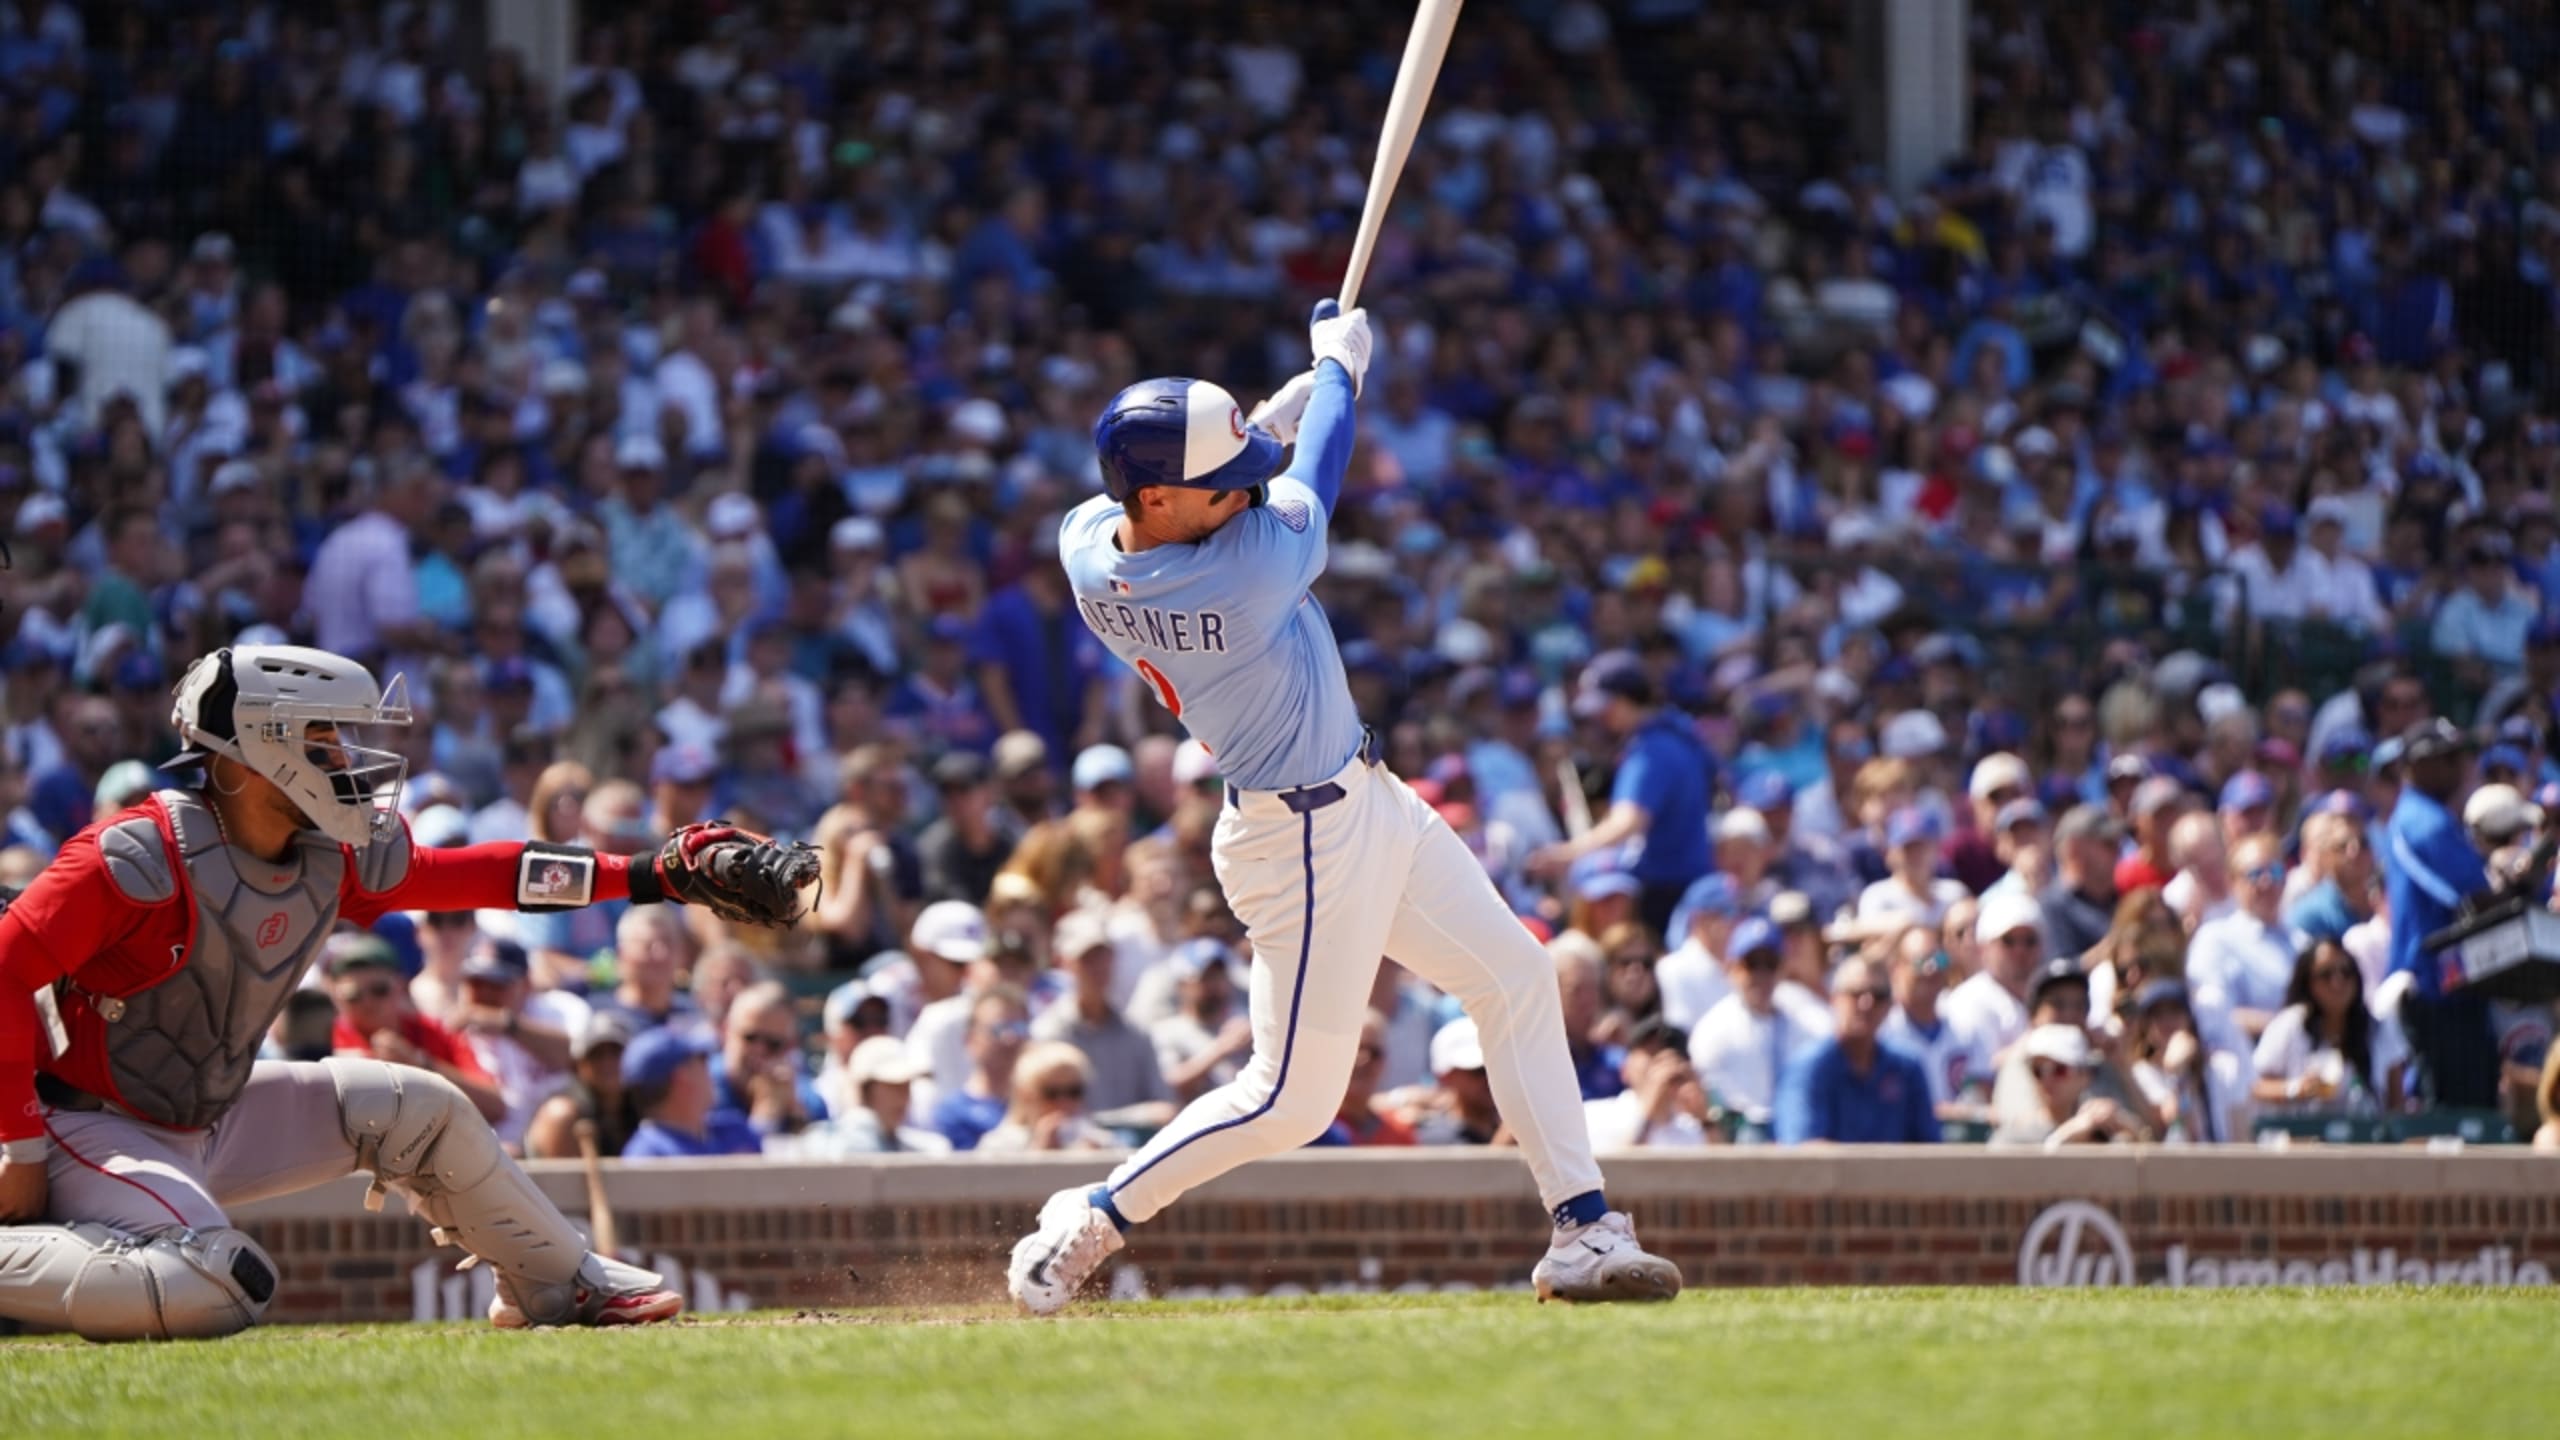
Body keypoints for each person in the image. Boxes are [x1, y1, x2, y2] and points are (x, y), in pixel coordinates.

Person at [1010, 307, 1679, 1313]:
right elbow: (1314, 475)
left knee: (1516, 976)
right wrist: (1334, 378)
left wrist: (1260, 426)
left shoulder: (1086, 541)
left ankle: (1582, 1229)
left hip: (1365, 800)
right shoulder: (1244, 568)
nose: (1244, 496)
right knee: (1288, 1100)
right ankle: (1096, 1216)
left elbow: (1246, 479)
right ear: (1157, 496)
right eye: (1223, 486)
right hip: (1301, 836)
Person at [0, 643, 772, 1337]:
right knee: (214, 1282)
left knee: (421, 1110)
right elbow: (4, 973)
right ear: (255, 752)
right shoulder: (131, 856)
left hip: (208, 1114)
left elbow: (485, 875)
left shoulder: (330, 854)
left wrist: (647, 875)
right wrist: (20, 1144)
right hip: (85, 1127)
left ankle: (558, 1281)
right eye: (323, 737)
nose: (345, 756)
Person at [1528, 653, 1716, 934]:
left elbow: (1627, 823)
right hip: (1687, 883)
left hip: (1668, 892)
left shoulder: (1651, 751)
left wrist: (1567, 854)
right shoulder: (1675, 736)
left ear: (1626, 700)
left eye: (1606, 705)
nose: (1600, 716)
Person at [2382, 719, 2500, 1106]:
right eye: (2446, 758)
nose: (2458, 766)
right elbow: (2480, 898)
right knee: (2454, 1116)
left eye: (2458, 756)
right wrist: (2523, 888)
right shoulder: (2425, 821)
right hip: (2437, 989)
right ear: (2415, 765)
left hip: (2448, 988)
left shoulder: (2426, 815)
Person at [1773, 956, 1940, 1144]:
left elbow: (1930, 1147)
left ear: (1889, 1005)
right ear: (1834, 999)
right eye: (1855, 993)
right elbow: (1801, 1147)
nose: (1866, 1004)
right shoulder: (1809, 1068)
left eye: (1878, 996)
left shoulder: (1907, 1068)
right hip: (1833, 1166)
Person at [2251, 938, 2408, 1115]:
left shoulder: (2379, 1028)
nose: (2337, 982)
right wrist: (2294, 1089)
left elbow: (2397, 1104)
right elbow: (2255, 1086)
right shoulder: (2289, 1025)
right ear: (2309, 982)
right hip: (2302, 1129)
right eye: (2326, 975)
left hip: (2366, 1129)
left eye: (2346, 972)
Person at [2184, 834, 2304, 1044]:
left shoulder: (2302, 942)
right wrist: (2284, 1028)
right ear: (2232, 882)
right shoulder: (2215, 939)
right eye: (2255, 874)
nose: (2266, 882)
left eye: (2275, 872)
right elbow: (2210, 1012)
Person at [618, 1026, 762, 1160]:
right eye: (702, 1060)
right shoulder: (648, 1155)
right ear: (681, 1078)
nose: (709, 1069)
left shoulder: (733, 1129)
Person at [1992, 1025, 2142, 1148]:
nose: (2047, 1080)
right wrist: (2068, 1133)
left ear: (2084, 1075)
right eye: (2038, 1070)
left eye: (2059, 1070)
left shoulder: (2098, 1130)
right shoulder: (2016, 1134)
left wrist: (2123, 1124)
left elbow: (2144, 1155)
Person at [978, 1042, 1113, 1153]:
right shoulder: (998, 1146)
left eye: (1074, 1091)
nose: (1064, 1102)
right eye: (1051, 1093)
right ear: (1025, 1095)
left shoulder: (1100, 1141)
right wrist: (1039, 1154)